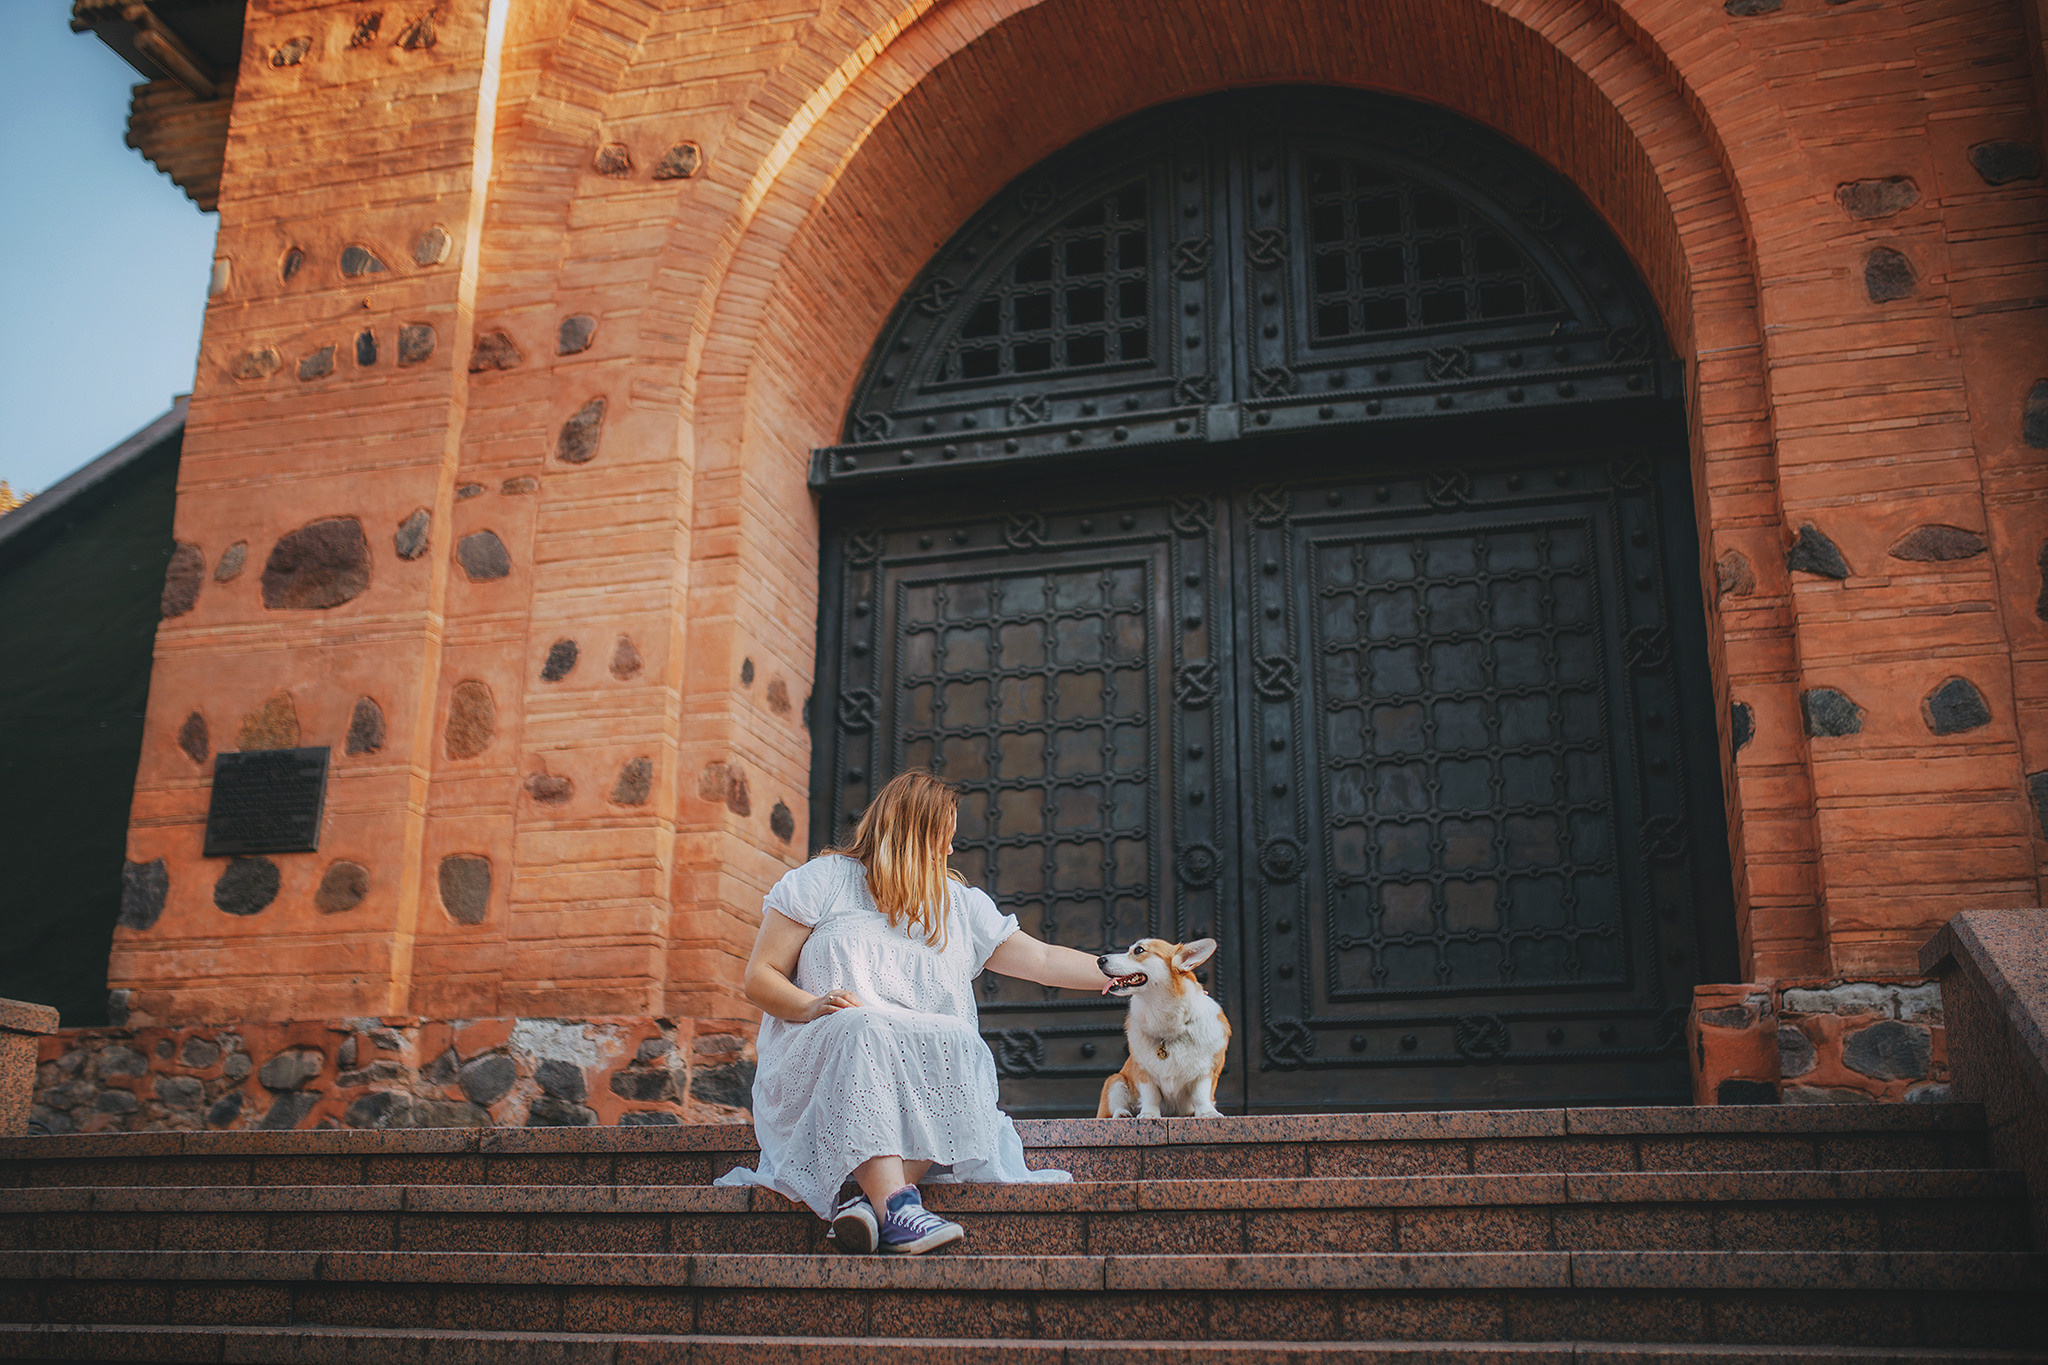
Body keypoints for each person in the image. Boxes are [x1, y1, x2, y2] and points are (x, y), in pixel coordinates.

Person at [714, 769, 1110, 1254]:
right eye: (943, 837)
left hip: (911, 1076)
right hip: (824, 1051)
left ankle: (875, 1204)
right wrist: (812, 1004)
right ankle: (900, 1213)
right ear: (912, 830)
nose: (948, 852)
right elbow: (760, 976)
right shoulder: (824, 881)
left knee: (959, 1038)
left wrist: (1123, 973)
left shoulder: (958, 905)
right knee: (862, 1024)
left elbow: (1044, 959)